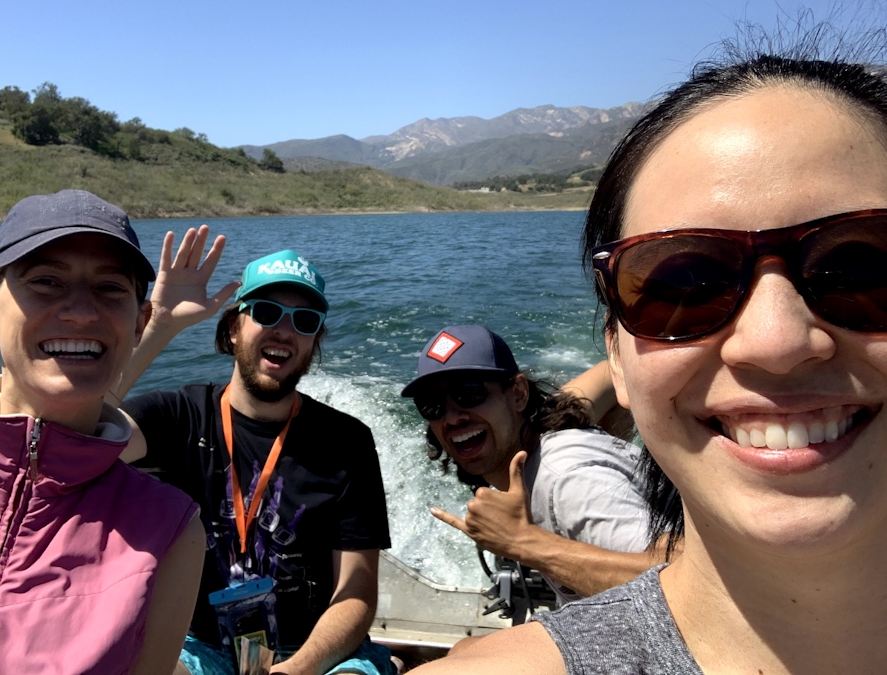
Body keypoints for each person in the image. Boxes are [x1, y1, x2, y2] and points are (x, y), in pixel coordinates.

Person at [410, 39, 887, 674]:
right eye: (682, 290)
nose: (776, 342)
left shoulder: (566, 471)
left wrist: (524, 542)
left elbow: (653, 559)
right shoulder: (547, 437)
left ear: (519, 395)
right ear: (621, 348)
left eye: (860, 267)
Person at [0, 189, 205, 674]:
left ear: (139, 323)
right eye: (46, 281)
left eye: (111, 287)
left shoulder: (169, 534)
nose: (80, 311)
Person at [113, 239, 394, 675]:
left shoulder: (347, 442)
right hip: (198, 646)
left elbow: (356, 588)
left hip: (316, 652)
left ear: (313, 343)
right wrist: (159, 327)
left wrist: (296, 670)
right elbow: (70, 437)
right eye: (265, 312)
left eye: (304, 321)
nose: (283, 330)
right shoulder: (174, 418)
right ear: (232, 329)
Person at [404, 324, 658, 606]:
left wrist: (522, 543)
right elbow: (612, 371)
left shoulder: (567, 480)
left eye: (469, 393)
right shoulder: (550, 428)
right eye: (431, 404)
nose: (451, 418)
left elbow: (681, 582)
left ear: (518, 394)